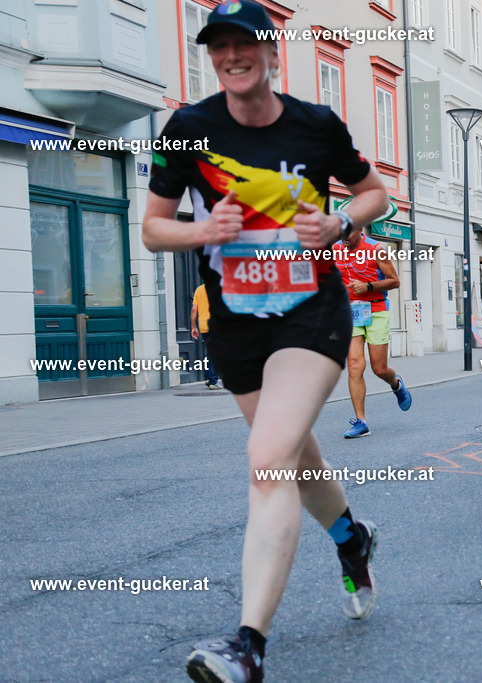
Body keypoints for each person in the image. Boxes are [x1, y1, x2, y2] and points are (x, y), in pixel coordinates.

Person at [141, 3, 389, 680]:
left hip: (310, 312)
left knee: (268, 460)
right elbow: (153, 227)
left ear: (269, 50)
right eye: (218, 46)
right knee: (292, 457)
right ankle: (351, 536)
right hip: (235, 324)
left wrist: (339, 222)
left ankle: (247, 644)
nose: (230, 56)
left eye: (242, 43)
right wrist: (202, 233)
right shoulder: (188, 130)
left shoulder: (315, 124)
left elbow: (376, 195)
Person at [334, 228, 412, 439]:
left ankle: (396, 384)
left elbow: (395, 281)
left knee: (379, 368)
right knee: (355, 364)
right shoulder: (335, 249)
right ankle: (361, 422)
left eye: (349, 235)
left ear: (359, 230)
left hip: (376, 309)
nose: (345, 240)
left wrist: (368, 286)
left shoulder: (377, 250)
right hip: (350, 311)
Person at [191, 283, 221, 389]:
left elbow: (194, 309)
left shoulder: (199, 290)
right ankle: (213, 381)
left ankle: (208, 377)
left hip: (204, 325)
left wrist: (193, 327)